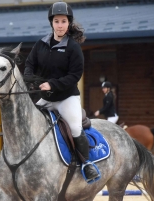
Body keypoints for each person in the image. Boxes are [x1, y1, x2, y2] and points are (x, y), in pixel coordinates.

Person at [23, 1, 98, 181]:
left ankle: (86, 164)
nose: (60, 25)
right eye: (57, 21)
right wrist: (30, 80)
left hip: (66, 97)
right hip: (45, 98)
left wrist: (52, 85)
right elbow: (29, 64)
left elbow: (74, 75)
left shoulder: (73, 47)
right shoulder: (40, 44)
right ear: (52, 23)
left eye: (63, 21)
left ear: (68, 23)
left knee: (74, 128)